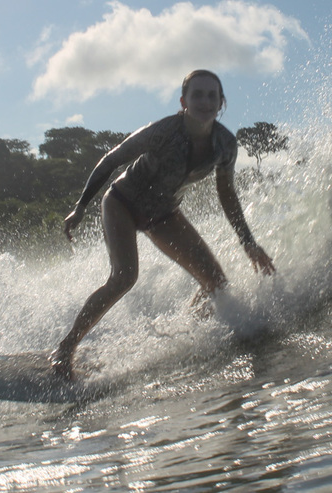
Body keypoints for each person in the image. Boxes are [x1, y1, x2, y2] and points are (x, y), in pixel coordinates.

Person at [51, 69, 276, 379]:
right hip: (122, 203)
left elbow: (227, 195)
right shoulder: (162, 131)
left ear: (222, 102)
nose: (205, 101)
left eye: (212, 95)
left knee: (216, 283)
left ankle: (189, 336)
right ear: (184, 101)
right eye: (197, 94)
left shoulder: (224, 145)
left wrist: (248, 243)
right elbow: (111, 160)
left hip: (163, 214)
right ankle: (65, 349)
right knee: (124, 277)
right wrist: (80, 207)